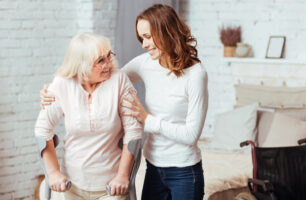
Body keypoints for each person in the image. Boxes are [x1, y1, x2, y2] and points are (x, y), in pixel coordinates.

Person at [41, 4, 208, 200]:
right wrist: (56, 89)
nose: (144, 45)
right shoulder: (146, 63)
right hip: (154, 167)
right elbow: (105, 77)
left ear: (166, 32)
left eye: (148, 37)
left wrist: (146, 119)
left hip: (184, 171)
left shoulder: (196, 75)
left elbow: (191, 135)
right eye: (141, 38)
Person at [35, 33, 142, 200]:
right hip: (71, 184)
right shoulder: (63, 84)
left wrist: (122, 176)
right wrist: (54, 172)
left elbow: (134, 131)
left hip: (111, 187)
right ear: (81, 66)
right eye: (101, 61)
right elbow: (43, 130)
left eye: (109, 56)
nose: (109, 64)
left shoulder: (119, 80)